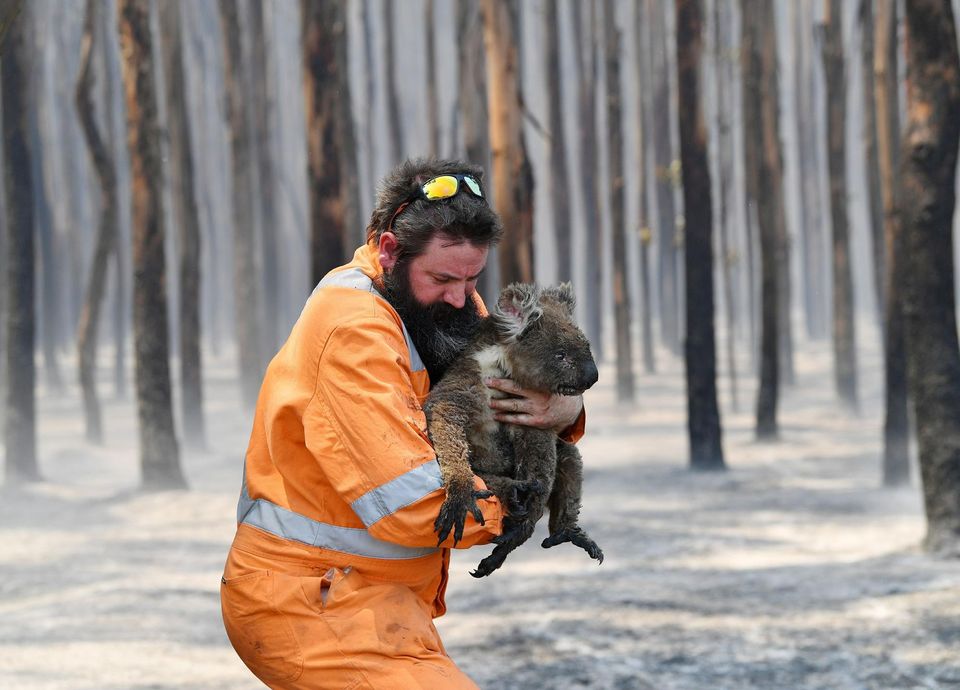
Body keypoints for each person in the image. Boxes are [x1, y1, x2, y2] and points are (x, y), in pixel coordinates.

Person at [220, 158, 586, 689]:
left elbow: (512, 388)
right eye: (443, 278)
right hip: (310, 604)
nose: (464, 297)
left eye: (473, 277)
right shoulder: (355, 332)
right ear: (391, 251)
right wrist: (523, 501)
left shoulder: (436, 303)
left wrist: (567, 412)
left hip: (376, 601)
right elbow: (412, 503)